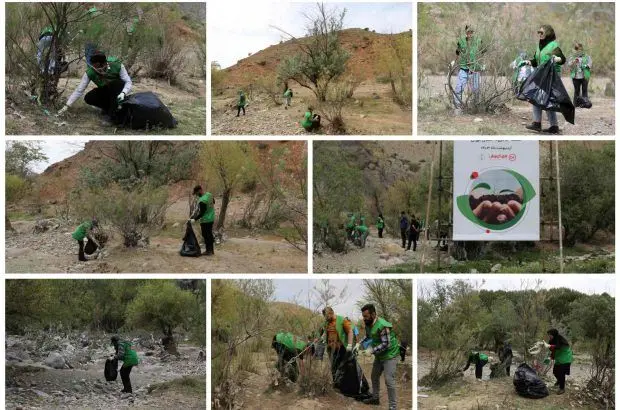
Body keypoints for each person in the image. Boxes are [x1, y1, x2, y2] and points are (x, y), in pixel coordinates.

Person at [57, 51, 132, 118]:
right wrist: (67, 106)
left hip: (118, 91)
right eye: (93, 65)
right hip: (105, 90)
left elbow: (128, 82)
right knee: (89, 97)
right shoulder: (90, 72)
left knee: (115, 84)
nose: (95, 68)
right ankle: (107, 108)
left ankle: (113, 113)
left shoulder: (117, 65)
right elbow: (79, 90)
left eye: (97, 66)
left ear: (103, 63)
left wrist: (123, 93)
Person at [524, 25, 566, 134]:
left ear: (548, 33)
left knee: (546, 100)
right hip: (541, 75)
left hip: (552, 76)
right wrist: (528, 62)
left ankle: (550, 126)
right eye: (539, 32)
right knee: (538, 98)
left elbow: (563, 59)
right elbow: (536, 60)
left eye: (541, 32)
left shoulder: (553, 45)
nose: (539, 34)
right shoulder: (539, 46)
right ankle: (541, 124)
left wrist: (557, 59)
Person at [360, 304, 400, 409]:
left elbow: (386, 344)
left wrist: (371, 351)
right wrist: (358, 344)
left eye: (366, 316)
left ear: (373, 314)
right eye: (363, 316)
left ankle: (393, 407)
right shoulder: (368, 324)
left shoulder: (382, 325)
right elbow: (368, 336)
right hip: (379, 355)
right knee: (374, 376)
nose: (364, 318)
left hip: (390, 355)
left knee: (389, 380)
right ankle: (375, 398)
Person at [451, 25, 483, 113]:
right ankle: (458, 107)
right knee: (459, 88)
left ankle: (475, 107)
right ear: (466, 32)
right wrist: (454, 61)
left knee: (476, 89)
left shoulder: (478, 41)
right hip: (464, 68)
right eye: (469, 32)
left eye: (472, 32)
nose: (470, 34)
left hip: (475, 69)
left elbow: (483, 50)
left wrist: (482, 63)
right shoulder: (461, 41)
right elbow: (458, 51)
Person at [322, 307, 355, 383]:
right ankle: (336, 384)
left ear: (331, 313)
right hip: (331, 349)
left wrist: (349, 345)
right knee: (333, 367)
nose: (326, 318)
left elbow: (350, 331)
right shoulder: (326, 322)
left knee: (343, 367)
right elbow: (324, 332)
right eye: (325, 316)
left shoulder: (342, 320)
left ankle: (345, 385)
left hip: (341, 348)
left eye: (327, 316)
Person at [189, 185, 215, 256]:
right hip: (212, 217)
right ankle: (211, 250)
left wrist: (194, 219)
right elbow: (213, 202)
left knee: (206, 235)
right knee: (209, 234)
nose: (197, 195)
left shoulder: (202, 201)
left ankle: (208, 251)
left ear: (200, 190)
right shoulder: (209, 194)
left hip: (205, 220)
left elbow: (202, 213)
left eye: (197, 193)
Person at [545, 329, 573, 395]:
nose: (549, 336)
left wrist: (550, 346)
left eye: (550, 335)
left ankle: (562, 388)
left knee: (561, 373)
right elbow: (553, 350)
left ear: (554, 334)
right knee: (555, 372)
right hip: (559, 358)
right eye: (548, 335)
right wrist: (550, 357)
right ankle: (559, 381)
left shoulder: (560, 339)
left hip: (565, 358)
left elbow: (558, 347)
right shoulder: (552, 340)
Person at [568, 42, 592, 107]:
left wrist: (584, 65)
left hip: (585, 76)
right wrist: (573, 62)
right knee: (576, 91)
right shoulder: (572, 57)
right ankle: (576, 104)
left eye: (579, 49)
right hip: (575, 77)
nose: (578, 50)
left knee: (584, 90)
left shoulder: (587, 56)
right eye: (576, 49)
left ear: (582, 49)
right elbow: (569, 65)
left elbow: (590, 64)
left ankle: (585, 104)